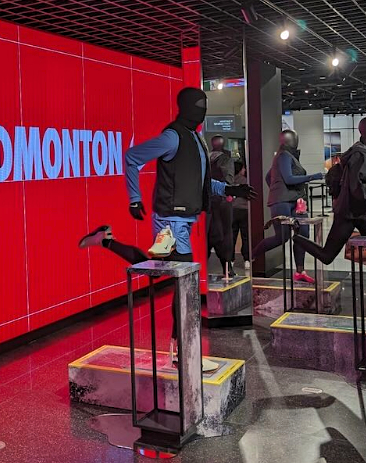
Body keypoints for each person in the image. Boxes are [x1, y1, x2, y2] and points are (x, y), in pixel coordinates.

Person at [77, 87, 256, 365]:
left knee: (162, 272)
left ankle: (106, 239)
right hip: (170, 220)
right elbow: (133, 157)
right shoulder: (172, 137)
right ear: (184, 107)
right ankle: (181, 351)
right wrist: (134, 198)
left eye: (204, 104)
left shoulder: (197, 139)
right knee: (185, 280)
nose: (202, 109)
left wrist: (231, 188)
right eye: (198, 105)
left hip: (184, 219)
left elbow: (201, 182)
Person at [290, 117, 366, 325]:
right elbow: (358, 189)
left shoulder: (363, 153)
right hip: (354, 213)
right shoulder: (360, 155)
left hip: (358, 213)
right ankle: (298, 239)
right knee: (328, 255)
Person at [250, 130, 323, 283]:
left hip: (295, 200)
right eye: (294, 139)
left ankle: (300, 271)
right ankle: (252, 255)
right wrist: (312, 177)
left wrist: (276, 189)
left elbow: (269, 176)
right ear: (289, 141)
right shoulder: (283, 155)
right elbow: (289, 179)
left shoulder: (287, 157)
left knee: (303, 234)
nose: (296, 141)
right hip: (282, 202)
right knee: (281, 237)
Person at [208, 136, 235, 276]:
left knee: (211, 233)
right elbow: (228, 178)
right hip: (222, 201)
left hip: (207, 201)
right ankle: (227, 267)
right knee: (226, 234)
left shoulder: (205, 158)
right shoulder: (225, 159)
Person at [232, 161, 251, 269]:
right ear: (241, 169)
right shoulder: (245, 181)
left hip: (232, 211)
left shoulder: (230, 181)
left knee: (232, 236)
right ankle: (247, 260)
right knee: (245, 236)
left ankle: (230, 260)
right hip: (244, 211)